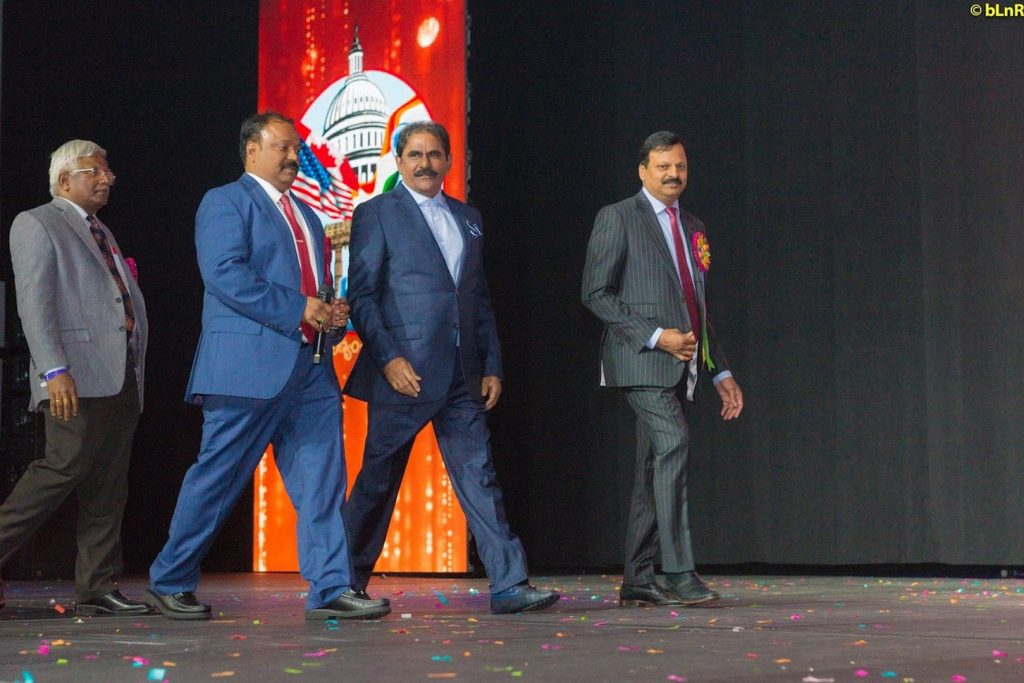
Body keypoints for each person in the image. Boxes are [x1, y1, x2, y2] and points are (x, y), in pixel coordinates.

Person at [147, 112, 388, 620]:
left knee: (323, 482)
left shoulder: (309, 215)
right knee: (218, 478)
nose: (294, 157)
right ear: (252, 149)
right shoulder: (226, 201)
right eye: (283, 147)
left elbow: (312, 286)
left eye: (297, 149)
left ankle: (330, 586)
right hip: (245, 369)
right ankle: (171, 578)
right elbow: (223, 274)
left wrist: (330, 312)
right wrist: (299, 307)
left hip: (312, 368)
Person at [343, 121, 559, 614]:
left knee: (479, 475)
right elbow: (362, 297)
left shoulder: (468, 217)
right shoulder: (376, 213)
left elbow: (477, 297)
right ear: (399, 162)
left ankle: (509, 584)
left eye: (434, 154)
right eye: (415, 154)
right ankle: (344, 582)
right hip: (405, 373)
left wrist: (492, 364)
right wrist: (389, 358)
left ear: (448, 161)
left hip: (463, 373)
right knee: (377, 481)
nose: (425, 163)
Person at [581, 131, 744, 608]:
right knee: (673, 443)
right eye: (663, 166)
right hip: (640, 360)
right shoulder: (617, 217)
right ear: (642, 171)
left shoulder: (693, 224)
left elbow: (697, 305)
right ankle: (677, 571)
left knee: (655, 463)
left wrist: (719, 371)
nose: (673, 174)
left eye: (680, 166)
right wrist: (655, 336)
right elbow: (595, 293)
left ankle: (637, 578)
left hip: (683, 364)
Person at [2, 140, 149, 615]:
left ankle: (96, 586)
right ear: (64, 180)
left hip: (119, 374)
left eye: (108, 172)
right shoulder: (37, 223)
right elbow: (34, 304)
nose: (106, 179)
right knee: (59, 470)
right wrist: (54, 369)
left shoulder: (100, 230)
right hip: (72, 375)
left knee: (108, 484)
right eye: (94, 171)